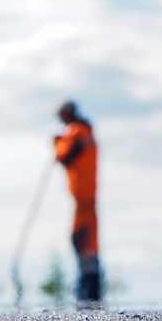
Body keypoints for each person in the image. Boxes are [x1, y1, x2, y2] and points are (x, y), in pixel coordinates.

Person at [53, 101, 101, 303]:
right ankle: (89, 283)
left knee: (81, 237)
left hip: (83, 194)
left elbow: (63, 156)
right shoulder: (85, 131)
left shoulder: (75, 131)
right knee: (85, 237)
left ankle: (88, 286)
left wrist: (56, 142)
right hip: (86, 193)